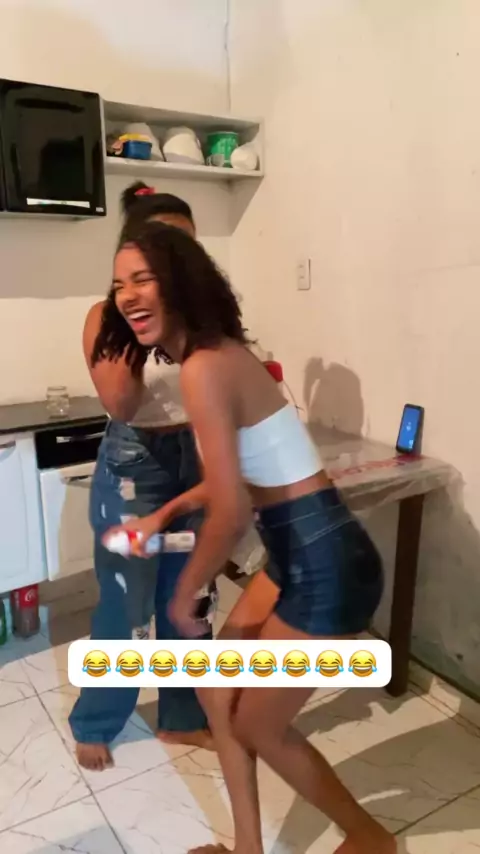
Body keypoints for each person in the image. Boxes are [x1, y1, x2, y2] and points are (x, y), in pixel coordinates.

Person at [99, 222, 395, 854]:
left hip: (326, 560)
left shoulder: (205, 367)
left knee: (259, 724)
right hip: (298, 552)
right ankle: (248, 849)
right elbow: (227, 483)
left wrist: (185, 593)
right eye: (119, 284)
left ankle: (371, 838)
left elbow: (231, 512)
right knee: (218, 692)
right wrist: (161, 517)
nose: (127, 296)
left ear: (177, 279)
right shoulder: (216, 357)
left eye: (142, 279)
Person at [68, 184, 215, 772]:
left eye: (189, 247)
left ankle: (182, 717)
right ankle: (96, 722)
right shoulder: (105, 317)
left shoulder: (201, 315)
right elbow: (123, 404)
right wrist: (136, 320)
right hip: (135, 468)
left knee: (189, 601)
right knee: (125, 608)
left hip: (192, 460)